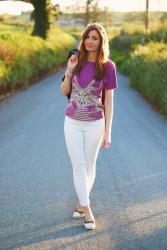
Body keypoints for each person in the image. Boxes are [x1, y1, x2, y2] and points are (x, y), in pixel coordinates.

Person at [60, 23, 118, 230]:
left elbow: (109, 101)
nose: (90, 41)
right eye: (87, 37)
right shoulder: (76, 60)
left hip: (95, 123)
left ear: (101, 41)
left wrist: (108, 131)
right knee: (78, 165)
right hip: (72, 121)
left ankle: (79, 204)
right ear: (83, 39)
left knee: (90, 165)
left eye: (95, 38)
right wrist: (69, 70)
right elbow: (63, 91)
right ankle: (88, 209)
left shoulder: (108, 66)